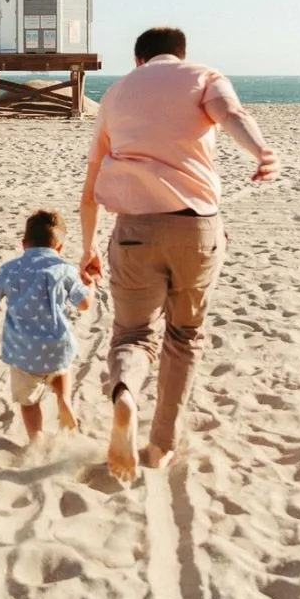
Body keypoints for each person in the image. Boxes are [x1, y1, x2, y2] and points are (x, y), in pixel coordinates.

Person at [80, 26, 280, 482]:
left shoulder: (115, 94)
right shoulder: (203, 76)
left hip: (134, 230)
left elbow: (91, 184)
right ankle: (162, 444)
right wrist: (260, 152)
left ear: (138, 61)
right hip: (196, 228)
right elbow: (230, 114)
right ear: (180, 54)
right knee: (185, 335)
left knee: (131, 334)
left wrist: (88, 246)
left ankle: (126, 393)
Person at [0, 209, 91, 443]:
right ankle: (65, 401)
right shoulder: (65, 269)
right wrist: (90, 285)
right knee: (61, 369)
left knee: (28, 402)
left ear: (24, 244)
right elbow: (84, 304)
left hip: (24, 350)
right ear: (59, 248)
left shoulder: (11, 269)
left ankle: (36, 439)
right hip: (57, 345)